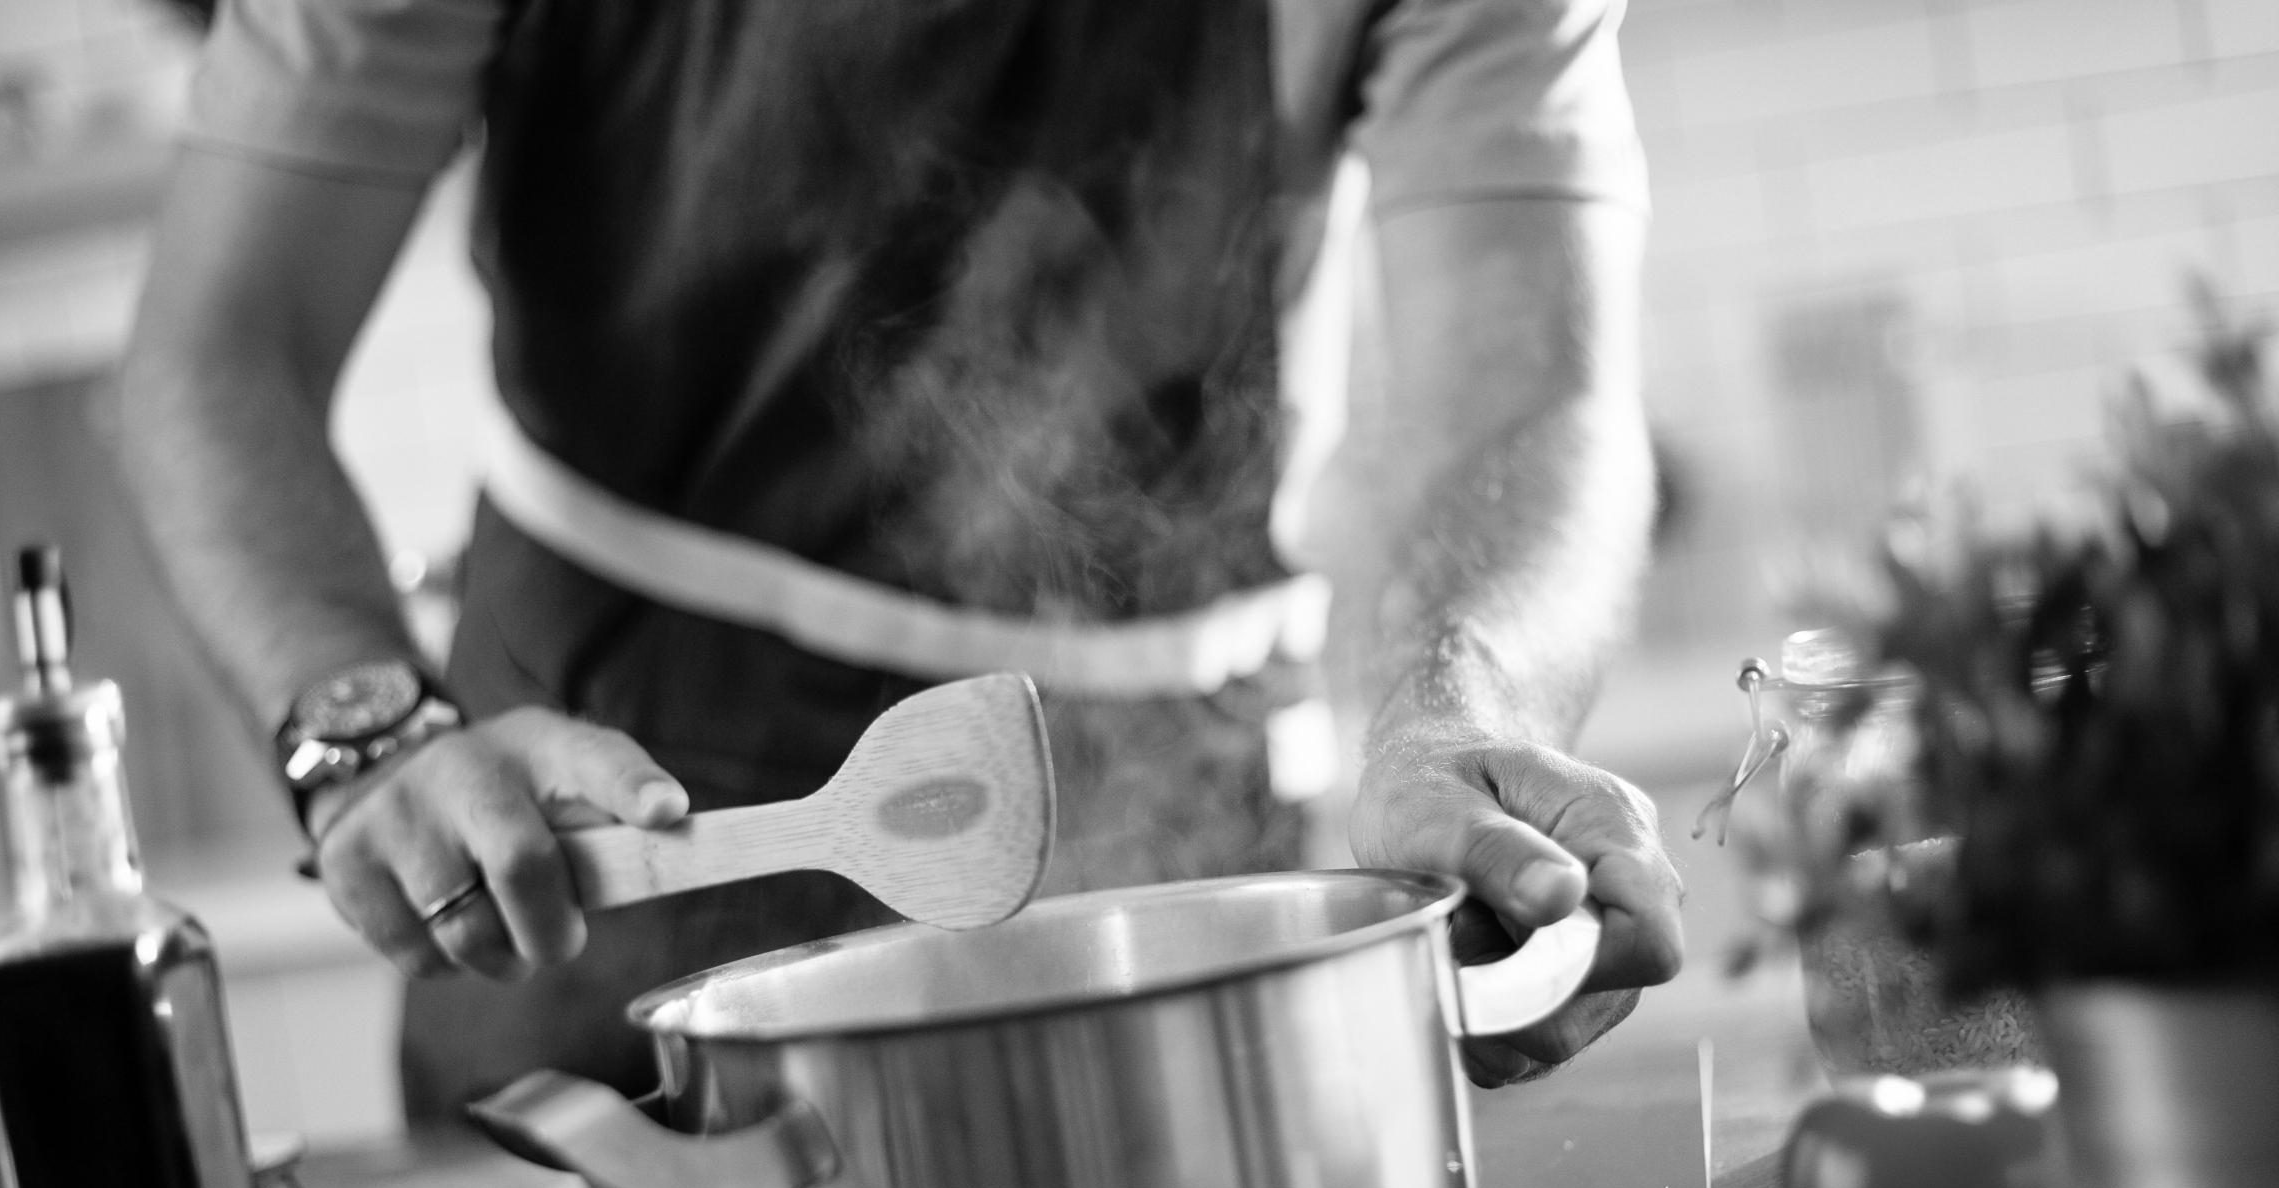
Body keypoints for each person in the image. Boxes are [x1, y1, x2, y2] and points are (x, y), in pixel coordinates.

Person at [120, 0, 1685, 1117]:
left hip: (1188, 846)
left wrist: (1460, 713)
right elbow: (219, 355)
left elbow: (1533, 391)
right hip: (627, 837)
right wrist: (372, 740)